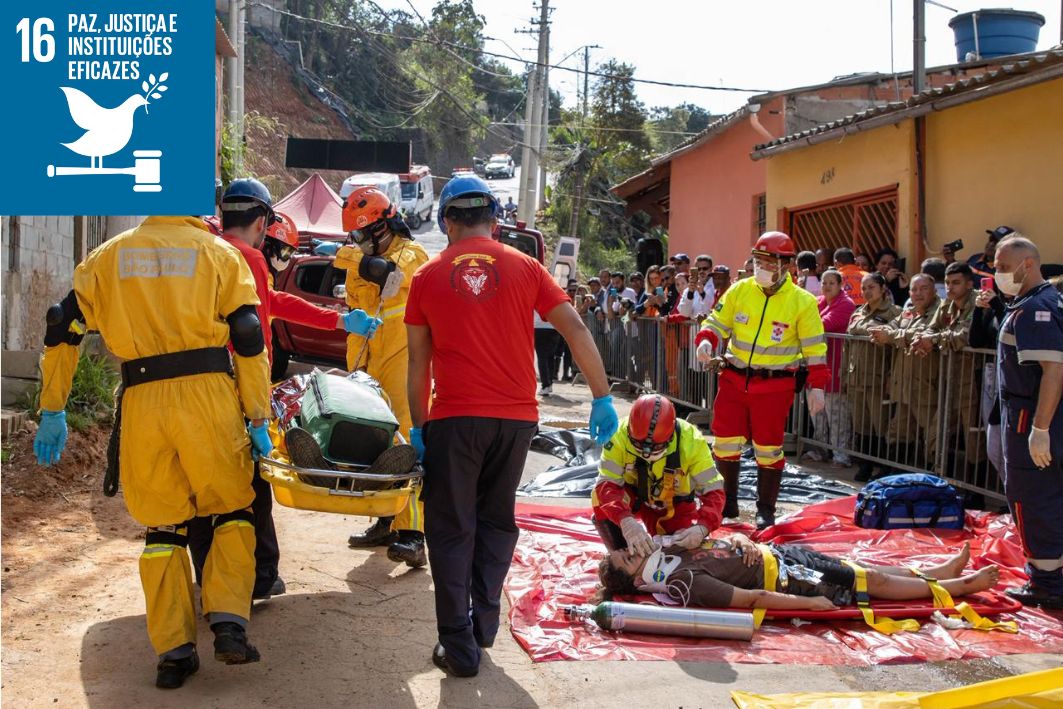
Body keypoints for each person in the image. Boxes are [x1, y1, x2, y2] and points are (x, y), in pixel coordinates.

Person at [32, 215, 274, 689]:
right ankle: (228, 623)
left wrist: (52, 407)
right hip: (207, 397)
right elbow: (248, 334)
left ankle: (173, 652)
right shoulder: (219, 253)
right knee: (232, 508)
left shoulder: (108, 257)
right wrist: (259, 415)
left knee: (162, 526)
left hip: (144, 401)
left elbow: (62, 327)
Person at [405, 174, 619, 677]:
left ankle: (458, 643)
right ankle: (485, 624)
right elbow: (575, 327)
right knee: (496, 520)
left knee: (452, 527)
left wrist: (420, 427)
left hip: (455, 419)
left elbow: (419, 363)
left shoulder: (427, 276)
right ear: (494, 219)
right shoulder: (527, 266)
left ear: (446, 220)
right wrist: (602, 396)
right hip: (516, 420)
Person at [188, 185, 380, 601]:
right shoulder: (250, 257)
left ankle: (206, 574)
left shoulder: (203, 251)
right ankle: (257, 577)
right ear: (262, 223)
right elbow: (253, 338)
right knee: (252, 489)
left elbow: (271, 300)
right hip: (234, 390)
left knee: (199, 490)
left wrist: (338, 322)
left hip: (191, 391)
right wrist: (259, 412)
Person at [695, 232, 829, 529]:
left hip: (774, 386)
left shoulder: (803, 303)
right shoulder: (740, 290)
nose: (761, 267)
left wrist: (817, 386)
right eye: (758, 260)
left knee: (768, 448)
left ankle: (765, 509)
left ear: (787, 265)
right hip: (733, 380)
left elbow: (816, 350)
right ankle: (727, 503)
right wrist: (706, 340)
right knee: (725, 443)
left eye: (768, 262)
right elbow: (715, 322)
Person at [337, 186, 431, 567]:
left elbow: (390, 273)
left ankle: (413, 534)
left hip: (402, 359)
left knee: (406, 440)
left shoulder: (412, 254)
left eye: (362, 235)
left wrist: (349, 257)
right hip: (366, 360)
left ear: (382, 226)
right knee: (375, 442)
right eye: (353, 237)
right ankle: (385, 520)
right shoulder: (361, 254)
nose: (357, 243)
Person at [597, 538, 998, 611]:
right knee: (868, 584)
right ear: (636, 580)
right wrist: (809, 603)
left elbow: (714, 537)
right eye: (626, 557)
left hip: (778, 554)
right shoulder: (682, 584)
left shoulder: (667, 551)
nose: (632, 551)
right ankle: (954, 587)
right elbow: (751, 599)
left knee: (861, 569)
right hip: (789, 578)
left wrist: (739, 536)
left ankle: (934, 572)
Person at [993, 236, 1063, 609]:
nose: (998, 274)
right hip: (1035, 416)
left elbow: (1053, 370)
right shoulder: (1042, 302)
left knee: (1032, 498)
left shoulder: (1036, 309)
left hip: (1029, 418)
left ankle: (1047, 583)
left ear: (1028, 264)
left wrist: (1039, 429)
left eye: (1004, 267)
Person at [592, 394, 725, 554]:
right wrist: (626, 521)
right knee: (598, 498)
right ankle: (620, 554)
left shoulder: (692, 441)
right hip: (632, 497)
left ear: (671, 436)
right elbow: (607, 485)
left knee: (676, 554)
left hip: (673, 505)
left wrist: (703, 527)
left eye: (656, 448)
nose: (646, 454)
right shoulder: (617, 435)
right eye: (638, 446)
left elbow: (714, 491)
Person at [869, 274, 941, 467]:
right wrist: (881, 332)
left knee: (933, 435)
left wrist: (889, 336)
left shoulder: (939, 311)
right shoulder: (908, 312)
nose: (918, 293)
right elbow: (891, 326)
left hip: (925, 384)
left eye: (923, 288)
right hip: (904, 385)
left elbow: (923, 332)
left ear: (933, 291)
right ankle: (897, 471)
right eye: (914, 289)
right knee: (897, 431)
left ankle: (934, 474)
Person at [919, 262, 983, 473]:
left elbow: (965, 336)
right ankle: (939, 475)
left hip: (972, 378)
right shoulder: (947, 305)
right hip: (948, 377)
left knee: (973, 435)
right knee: (937, 431)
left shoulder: (978, 302)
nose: (950, 287)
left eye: (956, 283)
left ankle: (976, 489)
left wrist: (934, 340)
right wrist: (928, 337)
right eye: (947, 283)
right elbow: (931, 328)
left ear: (969, 284)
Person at [845, 272, 902, 482]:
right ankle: (865, 465)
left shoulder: (894, 312)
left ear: (882, 289)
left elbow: (893, 341)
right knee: (862, 424)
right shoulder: (859, 311)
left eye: (871, 287)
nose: (867, 291)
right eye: (864, 288)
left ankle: (884, 468)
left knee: (881, 424)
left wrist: (892, 377)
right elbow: (848, 342)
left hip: (878, 376)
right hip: (857, 376)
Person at [803, 270, 856, 466]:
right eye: (824, 282)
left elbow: (825, 324)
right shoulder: (819, 302)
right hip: (816, 367)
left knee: (837, 417)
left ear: (840, 285)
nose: (826, 286)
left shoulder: (846, 304)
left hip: (835, 367)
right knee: (817, 414)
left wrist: (802, 323)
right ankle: (820, 450)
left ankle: (841, 455)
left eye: (831, 283)